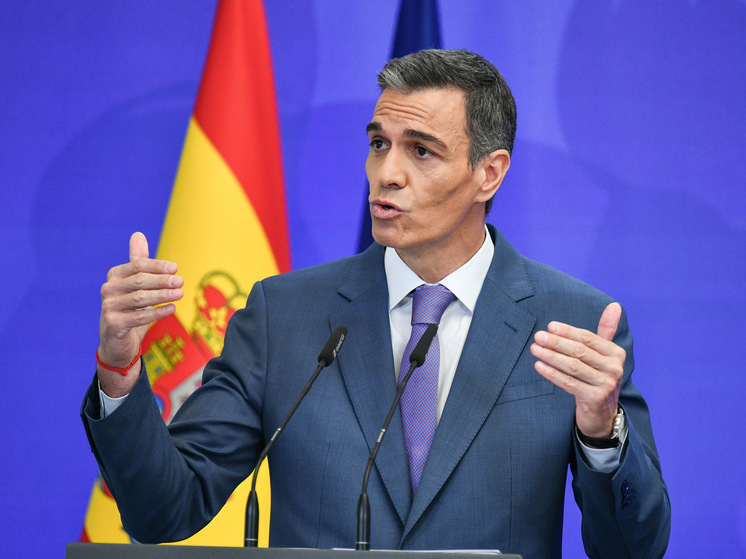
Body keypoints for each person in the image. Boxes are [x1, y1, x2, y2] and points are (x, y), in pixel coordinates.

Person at [82, 49, 670, 559]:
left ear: (488, 174)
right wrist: (119, 370)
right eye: (378, 144)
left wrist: (602, 434)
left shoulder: (574, 325)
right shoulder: (283, 316)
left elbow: (632, 549)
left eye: (421, 151)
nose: (386, 173)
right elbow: (165, 511)